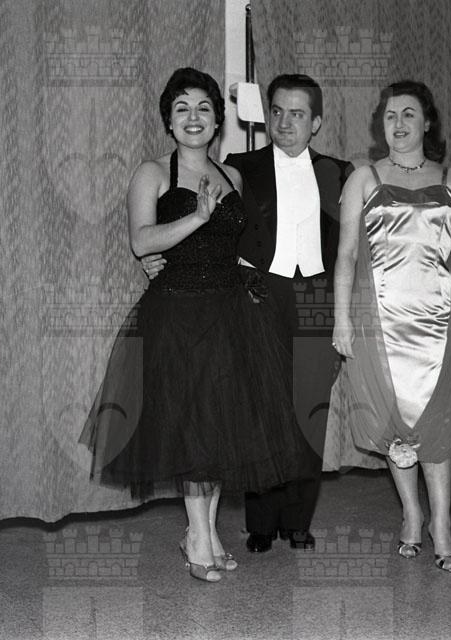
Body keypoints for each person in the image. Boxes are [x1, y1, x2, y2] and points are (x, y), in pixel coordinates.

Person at [80, 68, 312, 583]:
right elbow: (142, 241)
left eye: (204, 108)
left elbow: (237, 244)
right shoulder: (152, 173)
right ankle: (200, 539)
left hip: (229, 315)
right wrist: (196, 219)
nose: (193, 117)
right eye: (182, 108)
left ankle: (202, 534)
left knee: (218, 429)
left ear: (217, 121)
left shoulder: (232, 177)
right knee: (192, 429)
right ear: (168, 120)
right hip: (177, 315)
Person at [332, 80, 451, 572]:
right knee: (393, 423)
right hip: (381, 325)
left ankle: (442, 522)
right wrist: (341, 319)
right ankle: (412, 514)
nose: (397, 124)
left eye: (408, 114)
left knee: (438, 423)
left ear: (427, 123)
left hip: (442, 325)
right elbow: (346, 254)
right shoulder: (363, 179)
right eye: (389, 115)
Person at [224, 74, 353, 552]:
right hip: (261, 292)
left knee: (309, 409)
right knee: (261, 408)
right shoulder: (241, 166)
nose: (284, 122)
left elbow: (355, 242)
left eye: (297, 114)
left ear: (315, 122)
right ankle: (261, 522)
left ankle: (298, 520)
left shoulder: (340, 171)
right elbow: (215, 227)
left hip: (317, 295)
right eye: (276, 111)